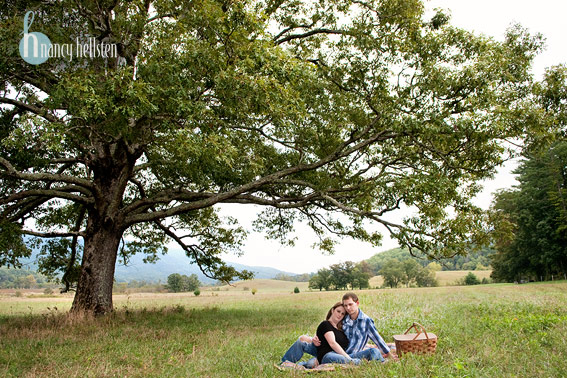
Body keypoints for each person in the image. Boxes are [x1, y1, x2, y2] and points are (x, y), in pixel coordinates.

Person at [281, 292, 392, 367]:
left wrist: (388, 353)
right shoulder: (344, 320)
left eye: (350, 305)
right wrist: (315, 338)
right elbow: (329, 337)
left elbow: (377, 338)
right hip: (336, 354)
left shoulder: (364, 321)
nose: (348, 309)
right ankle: (285, 362)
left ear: (357, 303)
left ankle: (379, 363)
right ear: (333, 310)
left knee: (374, 351)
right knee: (308, 348)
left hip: (349, 354)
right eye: (345, 306)